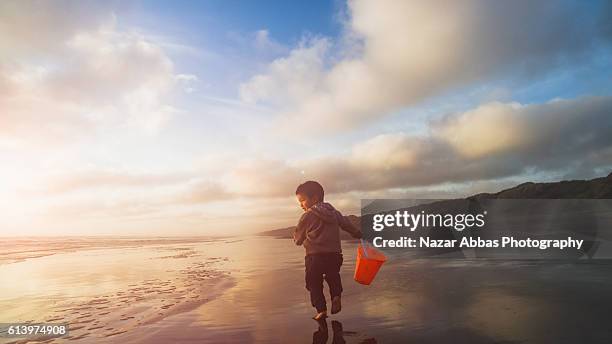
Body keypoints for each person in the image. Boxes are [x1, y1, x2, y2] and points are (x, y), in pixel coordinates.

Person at [293, 181, 362, 320]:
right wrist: (357, 233)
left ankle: (321, 310)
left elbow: (298, 238)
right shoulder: (334, 213)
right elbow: (346, 224)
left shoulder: (307, 216)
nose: (301, 205)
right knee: (333, 276)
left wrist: (297, 239)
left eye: (302, 200)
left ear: (315, 198)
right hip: (334, 255)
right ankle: (336, 296)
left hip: (314, 257)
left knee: (313, 283)